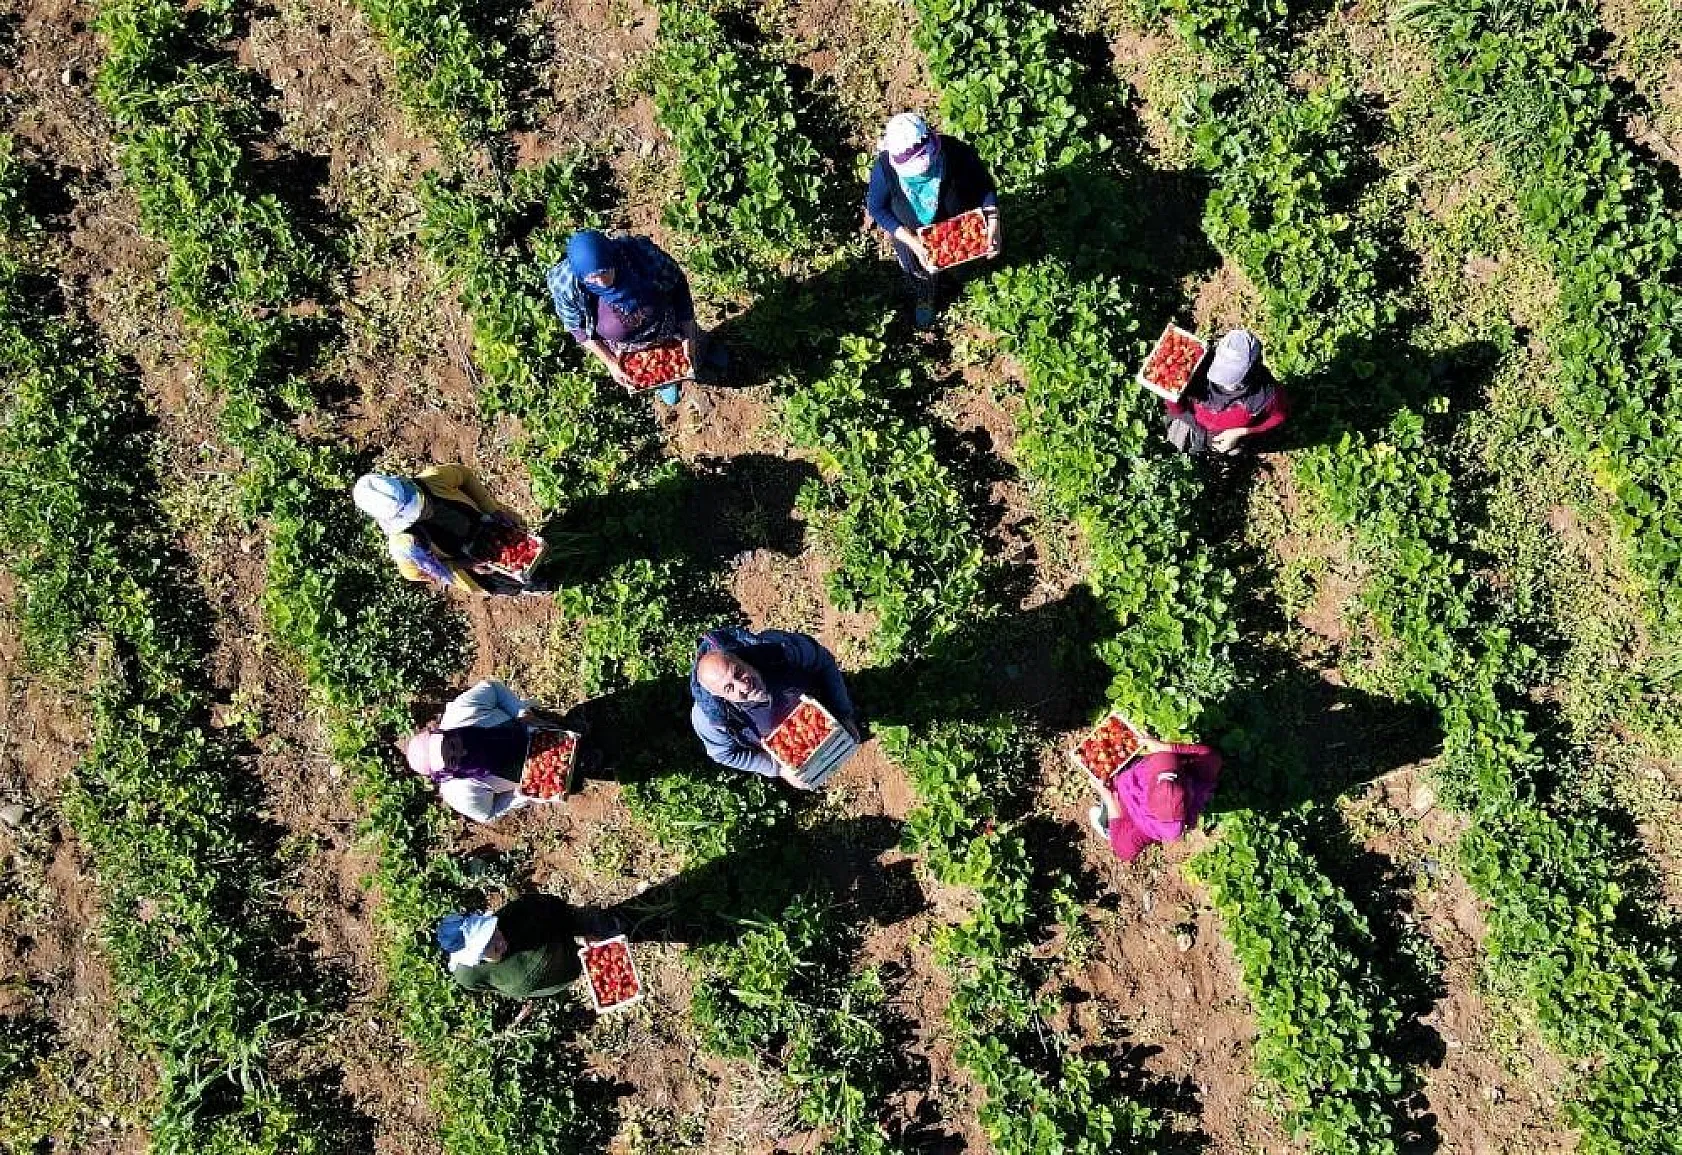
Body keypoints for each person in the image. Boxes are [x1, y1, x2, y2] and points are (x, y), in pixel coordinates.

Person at [546, 229, 724, 407]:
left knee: (692, 345)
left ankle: (704, 347)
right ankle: (663, 381)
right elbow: (578, 330)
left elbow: (678, 285)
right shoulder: (565, 286)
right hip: (629, 348)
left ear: (611, 256)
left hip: (665, 323)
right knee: (655, 371)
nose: (601, 282)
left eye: (605, 271)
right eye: (592, 277)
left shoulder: (640, 254)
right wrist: (610, 362)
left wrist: (689, 335)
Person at [866, 112, 1000, 327]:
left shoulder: (955, 152)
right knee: (917, 270)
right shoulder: (885, 169)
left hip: (958, 230)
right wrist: (912, 242)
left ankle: (961, 279)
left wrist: (993, 223)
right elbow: (877, 208)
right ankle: (925, 295)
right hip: (910, 236)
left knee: (963, 266)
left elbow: (984, 186)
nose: (923, 171)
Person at [406, 679, 602, 824]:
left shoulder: (461, 711)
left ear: (443, 733)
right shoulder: (459, 792)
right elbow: (489, 813)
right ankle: (585, 767)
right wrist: (521, 794)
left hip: (529, 727)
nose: (462, 751)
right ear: (443, 772)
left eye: (451, 745)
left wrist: (519, 711)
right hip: (527, 774)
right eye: (452, 760)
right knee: (577, 772)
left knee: (566, 734)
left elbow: (492, 689)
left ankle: (568, 729)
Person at [689, 626, 860, 790]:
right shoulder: (710, 721)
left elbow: (823, 660)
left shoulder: (778, 650)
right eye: (729, 688)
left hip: (823, 716)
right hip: (793, 753)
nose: (743, 686)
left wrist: (843, 712)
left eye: (738, 672)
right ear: (720, 697)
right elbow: (725, 754)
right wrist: (778, 769)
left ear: (740, 658)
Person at [352, 466, 550, 597]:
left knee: (521, 544)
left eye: (421, 503)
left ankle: (538, 565)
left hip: (489, 526)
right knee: (507, 581)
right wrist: (462, 564)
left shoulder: (434, 479)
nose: (425, 511)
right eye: (415, 514)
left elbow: (465, 476)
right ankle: (528, 587)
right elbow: (418, 572)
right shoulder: (404, 545)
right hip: (473, 567)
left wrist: (491, 509)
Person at [1087, 737, 1222, 862]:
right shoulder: (1196, 780)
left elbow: (1122, 852)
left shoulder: (1143, 829)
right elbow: (1212, 757)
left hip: (1123, 806)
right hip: (1135, 776)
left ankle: (1105, 825)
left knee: (1114, 821)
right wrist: (1166, 747)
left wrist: (1109, 799)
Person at [438, 894, 588, 1001]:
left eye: (493, 931)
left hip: (573, 941)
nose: (500, 942)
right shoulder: (467, 976)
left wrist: (579, 935)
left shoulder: (522, 915)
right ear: (475, 957)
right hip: (556, 976)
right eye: (490, 946)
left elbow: (552, 908)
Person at [1163, 329, 1288, 456]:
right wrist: (1197, 429)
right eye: (1222, 369)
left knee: (1234, 450)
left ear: (1252, 369)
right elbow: (1175, 407)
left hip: (1223, 437)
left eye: (1233, 376)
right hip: (1190, 421)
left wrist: (1241, 432)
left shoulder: (1266, 396)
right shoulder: (1198, 365)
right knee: (1177, 441)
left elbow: (1278, 417)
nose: (1224, 383)